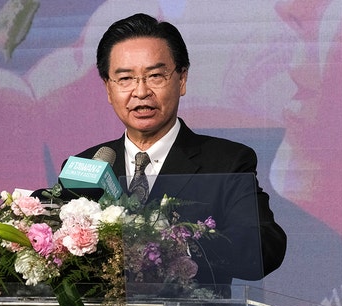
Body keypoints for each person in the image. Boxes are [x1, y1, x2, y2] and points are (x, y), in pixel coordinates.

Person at [68, 13, 287, 286]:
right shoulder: (85, 166)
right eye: (125, 79)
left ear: (181, 79)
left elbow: (264, 246)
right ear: (108, 89)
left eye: (155, 76)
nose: (141, 91)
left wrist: (176, 247)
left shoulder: (226, 163)